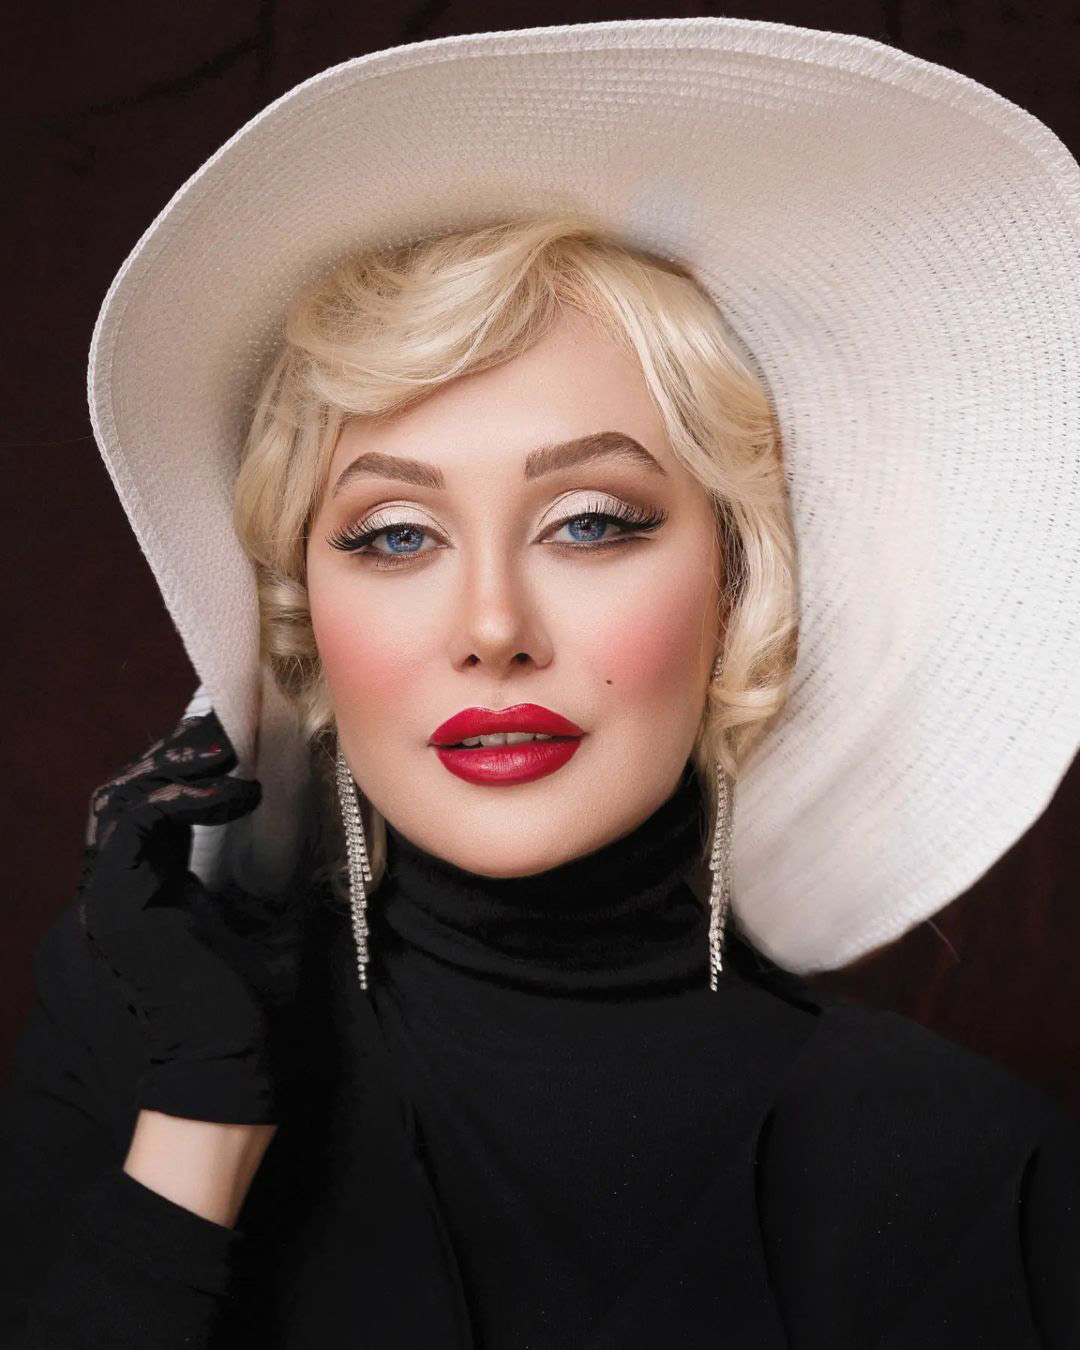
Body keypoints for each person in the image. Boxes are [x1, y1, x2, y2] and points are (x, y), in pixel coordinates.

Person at [3, 17, 1079, 1350]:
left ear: (738, 584)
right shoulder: (137, 1047)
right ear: (303, 620)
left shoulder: (975, 1181)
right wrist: (197, 1130)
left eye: (591, 522)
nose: (493, 628)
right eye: (396, 536)